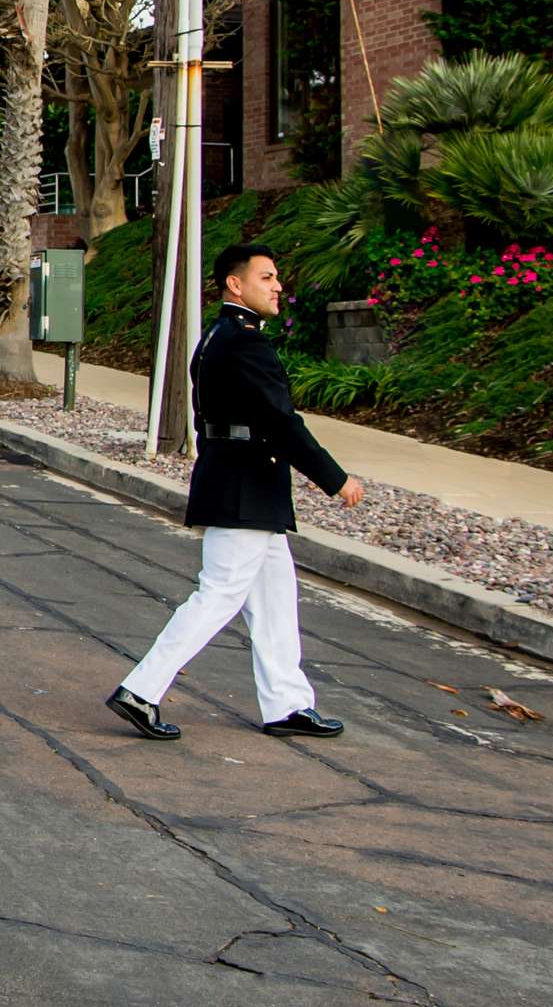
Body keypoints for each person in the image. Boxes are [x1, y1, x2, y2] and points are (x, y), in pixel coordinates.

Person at [107, 243, 364, 742]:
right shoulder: (245, 342)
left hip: (246, 487)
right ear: (235, 284)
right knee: (218, 595)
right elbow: (282, 422)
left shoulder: (219, 336)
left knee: (274, 601)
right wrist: (335, 479)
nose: (277, 286)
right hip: (244, 489)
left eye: (277, 278)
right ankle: (141, 690)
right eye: (267, 277)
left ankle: (288, 704)